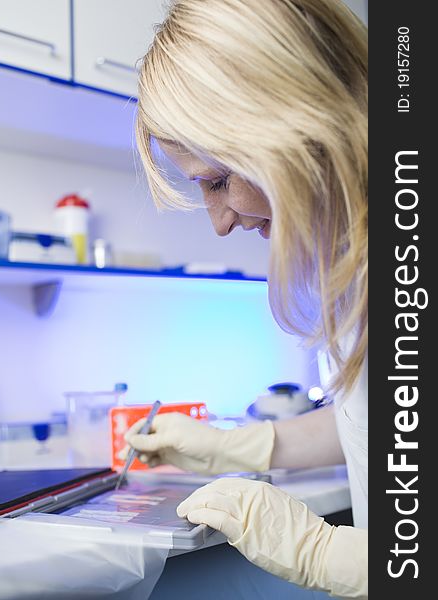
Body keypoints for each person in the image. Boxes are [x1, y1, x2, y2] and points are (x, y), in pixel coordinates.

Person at [126, 0, 368, 597]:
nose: (219, 222)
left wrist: (325, 552)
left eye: (217, 181)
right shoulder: (358, 262)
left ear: (292, 124)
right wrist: (238, 446)